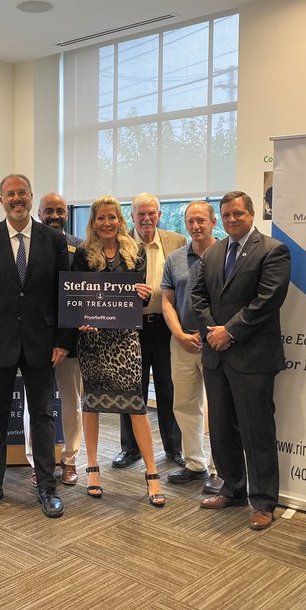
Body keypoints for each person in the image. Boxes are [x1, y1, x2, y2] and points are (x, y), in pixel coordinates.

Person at [0, 174, 72, 518]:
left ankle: (46, 486)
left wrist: (62, 340)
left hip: (43, 343)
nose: (16, 199)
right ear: (1, 200)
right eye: (10, 194)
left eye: (22, 193)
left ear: (30, 196)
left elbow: (63, 294)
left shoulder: (53, 240)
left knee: (42, 415)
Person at [191, 190, 291, 531]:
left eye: (238, 214)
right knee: (221, 428)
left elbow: (268, 300)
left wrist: (229, 332)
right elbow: (198, 295)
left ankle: (264, 501)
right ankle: (232, 488)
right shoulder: (214, 252)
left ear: (251, 214)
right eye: (227, 214)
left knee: (256, 430)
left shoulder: (273, 250)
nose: (233, 219)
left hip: (252, 356)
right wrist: (211, 331)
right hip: (216, 355)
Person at [72, 197, 164, 507]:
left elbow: (134, 300)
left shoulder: (135, 251)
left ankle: (152, 474)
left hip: (126, 340)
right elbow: (77, 295)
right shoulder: (84, 253)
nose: (107, 223)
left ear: (120, 220)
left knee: (135, 403)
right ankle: (93, 469)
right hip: (93, 341)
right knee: (92, 401)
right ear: (94, 222)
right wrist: (82, 320)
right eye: (101, 218)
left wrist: (143, 293)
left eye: (112, 217)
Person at [113, 193, 187, 469]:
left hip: (167, 327)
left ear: (159, 215)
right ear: (131, 217)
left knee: (169, 388)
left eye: (151, 213)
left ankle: (173, 448)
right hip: (131, 328)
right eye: (140, 214)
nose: (146, 218)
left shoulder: (177, 242)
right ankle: (129, 449)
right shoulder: (120, 245)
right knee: (132, 390)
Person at [21, 192, 84, 487]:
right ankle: (37, 461)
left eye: (60, 210)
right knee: (36, 404)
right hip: (37, 338)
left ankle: (70, 461)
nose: (54, 215)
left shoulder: (80, 248)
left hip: (70, 338)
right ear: (39, 212)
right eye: (49, 211)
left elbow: (83, 292)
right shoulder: (28, 243)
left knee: (72, 403)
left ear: (67, 214)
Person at [161, 201, 223, 494]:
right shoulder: (174, 259)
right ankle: (196, 464)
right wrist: (179, 335)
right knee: (185, 405)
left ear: (213, 222)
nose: (195, 226)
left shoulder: (227, 254)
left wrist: (212, 334)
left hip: (217, 343)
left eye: (201, 220)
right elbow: (167, 301)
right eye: (190, 221)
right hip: (183, 342)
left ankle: (223, 469)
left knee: (221, 409)